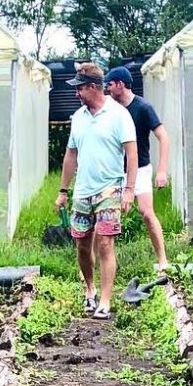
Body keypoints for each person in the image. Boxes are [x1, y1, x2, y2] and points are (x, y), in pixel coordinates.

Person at [57, 62, 136, 320]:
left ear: (92, 87)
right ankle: (89, 289)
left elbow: (131, 153)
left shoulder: (118, 114)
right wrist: (63, 190)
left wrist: (129, 190)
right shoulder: (78, 118)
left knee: (105, 243)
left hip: (109, 189)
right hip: (83, 191)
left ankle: (105, 300)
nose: (76, 93)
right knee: (81, 245)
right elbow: (71, 155)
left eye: (79, 88)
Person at [104, 66, 171, 270]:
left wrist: (161, 170)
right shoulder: (110, 108)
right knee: (105, 214)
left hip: (140, 168)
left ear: (120, 85)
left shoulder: (143, 107)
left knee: (146, 212)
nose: (106, 89)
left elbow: (164, 137)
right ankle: (98, 265)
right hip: (115, 170)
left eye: (109, 84)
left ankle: (163, 260)